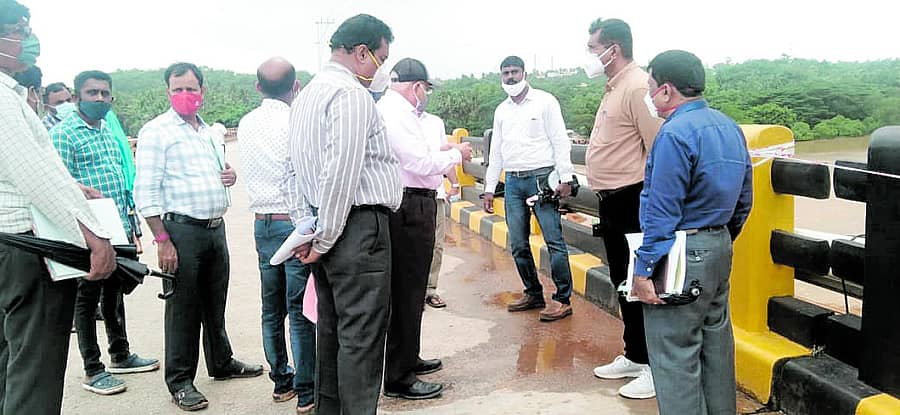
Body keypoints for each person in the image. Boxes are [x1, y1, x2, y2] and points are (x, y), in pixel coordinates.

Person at [0, 2, 116, 413]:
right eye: (17, 30)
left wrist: (75, 188)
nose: (28, 39)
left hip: (10, 243)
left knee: (12, 362)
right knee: (35, 369)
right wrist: (94, 236)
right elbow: (33, 175)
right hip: (28, 247)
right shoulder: (3, 98)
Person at [285, 14, 401, 415]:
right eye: (380, 59)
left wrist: (309, 227)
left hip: (326, 226)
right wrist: (325, 236)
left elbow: (294, 170)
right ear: (361, 52)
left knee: (332, 335)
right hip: (355, 229)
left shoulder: (308, 96)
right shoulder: (350, 94)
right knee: (362, 340)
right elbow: (341, 173)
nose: (380, 69)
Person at [134, 62, 262, 412]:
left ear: (202, 92)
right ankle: (180, 380)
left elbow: (214, 172)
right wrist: (162, 240)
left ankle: (221, 362)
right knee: (184, 309)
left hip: (214, 228)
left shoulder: (208, 131)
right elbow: (144, 191)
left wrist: (229, 176)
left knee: (214, 302)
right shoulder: (156, 132)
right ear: (168, 92)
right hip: (181, 231)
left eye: (191, 88)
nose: (185, 95)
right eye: (177, 89)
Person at [633, 50, 752, 415]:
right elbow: (745, 199)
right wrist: (719, 239)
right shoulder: (729, 127)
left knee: (674, 355)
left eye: (651, 89)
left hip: (680, 250)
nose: (650, 97)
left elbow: (661, 209)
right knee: (716, 349)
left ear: (667, 91)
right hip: (718, 245)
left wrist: (643, 269)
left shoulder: (674, 135)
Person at [50, 70, 159, 396]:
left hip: (117, 228)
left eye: (104, 93)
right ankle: (92, 368)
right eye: (91, 93)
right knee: (87, 299)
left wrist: (132, 227)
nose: (99, 99)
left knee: (114, 295)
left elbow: (121, 183)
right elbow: (57, 185)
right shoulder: (64, 134)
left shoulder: (108, 133)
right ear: (76, 96)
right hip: (88, 234)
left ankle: (120, 354)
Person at [377, 57, 472, 400]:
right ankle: (399, 375)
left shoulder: (390, 110)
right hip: (409, 204)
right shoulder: (398, 113)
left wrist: (441, 153)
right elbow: (418, 162)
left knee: (410, 289)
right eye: (426, 90)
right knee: (407, 290)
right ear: (417, 87)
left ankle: (406, 359)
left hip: (407, 202)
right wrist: (456, 155)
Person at [583, 18, 663, 399]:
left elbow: (658, 147)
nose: (590, 55)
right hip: (611, 201)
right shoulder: (614, 86)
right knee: (624, 283)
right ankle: (634, 353)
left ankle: (653, 365)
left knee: (643, 283)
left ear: (612, 49)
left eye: (593, 47)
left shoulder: (636, 86)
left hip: (633, 199)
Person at [237, 57, 316, 414]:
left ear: (258, 88)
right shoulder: (298, 120)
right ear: (295, 86)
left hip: (263, 223)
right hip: (294, 223)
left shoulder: (246, 123)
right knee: (299, 310)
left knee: (272, 309)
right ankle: (306, 390)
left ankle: (281, 382)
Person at [483, 55, 576, 322]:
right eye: (505, 73)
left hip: (541, 178)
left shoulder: (545, 101)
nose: (510, 77)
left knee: (553, 241)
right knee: (518, 243)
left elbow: (560, 140)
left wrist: (566, 177)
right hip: (512, 182)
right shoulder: (501, 110)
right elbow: (496, 152)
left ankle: (562, 299)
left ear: (524, 73)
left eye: (514, 72)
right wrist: (490, 187)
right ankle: (533, 293)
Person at [422, 110, 460, 309]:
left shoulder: (435, 122)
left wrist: (455, 182)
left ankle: (430, 290)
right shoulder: (396, 117)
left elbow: (444, 155)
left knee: (436, 245)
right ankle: (410, 293)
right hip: (405, 193)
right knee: (408, 246)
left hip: (434, 194)